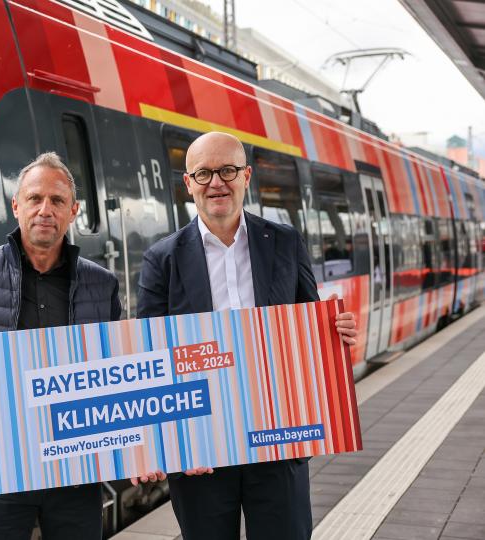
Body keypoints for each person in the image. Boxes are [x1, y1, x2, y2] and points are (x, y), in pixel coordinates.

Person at [0, 152, 165, 540]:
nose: (45, 209)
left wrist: (139, 449)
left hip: (76, 473)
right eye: (34, 199)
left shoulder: (102, 284)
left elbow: (118, 374)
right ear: (17, 206)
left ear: (73, 211)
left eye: (57, 201)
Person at [137, 132, 358, 540]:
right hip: (202, 449)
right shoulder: (161, 259)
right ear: (188, 184)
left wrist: (336, 333)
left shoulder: (286, 243)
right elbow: (149, 357)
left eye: (227, 171)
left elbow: (311, 324)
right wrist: (159, 444)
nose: (216, 182)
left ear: (246, 176)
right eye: (203, 173)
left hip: (279, 439)